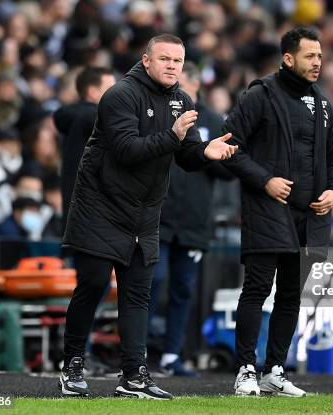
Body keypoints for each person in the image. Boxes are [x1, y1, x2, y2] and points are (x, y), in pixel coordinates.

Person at [59, 33, 237, 400]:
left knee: (138, 294)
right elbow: (126, 150)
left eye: (178, 61)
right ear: (146, 60)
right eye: (165, 59)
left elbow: (185, 156)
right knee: (92, 285)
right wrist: (173, 137)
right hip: (100, 206)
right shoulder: (119, 95)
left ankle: (133, 376)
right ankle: (73, 363)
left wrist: (206, 152)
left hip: (143, 214)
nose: (172, 66)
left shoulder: (182, 101)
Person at [222, 27, 333, 396]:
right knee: (257, 288)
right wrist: (265, 181)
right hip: (267, 209)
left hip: (309, 217)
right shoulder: (261, 95)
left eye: (321, 57)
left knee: (292, 294)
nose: (318, 63)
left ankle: (275, 369)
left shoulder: (323, 105)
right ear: (288, 59)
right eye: (311, 56)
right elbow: (229, 147)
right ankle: (245, 368)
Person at [148, 61, 233, 377]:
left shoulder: (212, 120)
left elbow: (227, 173)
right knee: (151, 283)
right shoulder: (157, 113)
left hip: (195, 222)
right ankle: (137, 353)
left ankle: (171, 354)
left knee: (183, 289)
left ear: (195, 86)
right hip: (158, 214)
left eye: (181, 82)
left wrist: (222, 154)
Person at [53, 67, 116, 230]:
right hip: (94, 217)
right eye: (111, 89)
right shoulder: (97, 119)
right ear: (93, 92)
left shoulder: (74, 117)